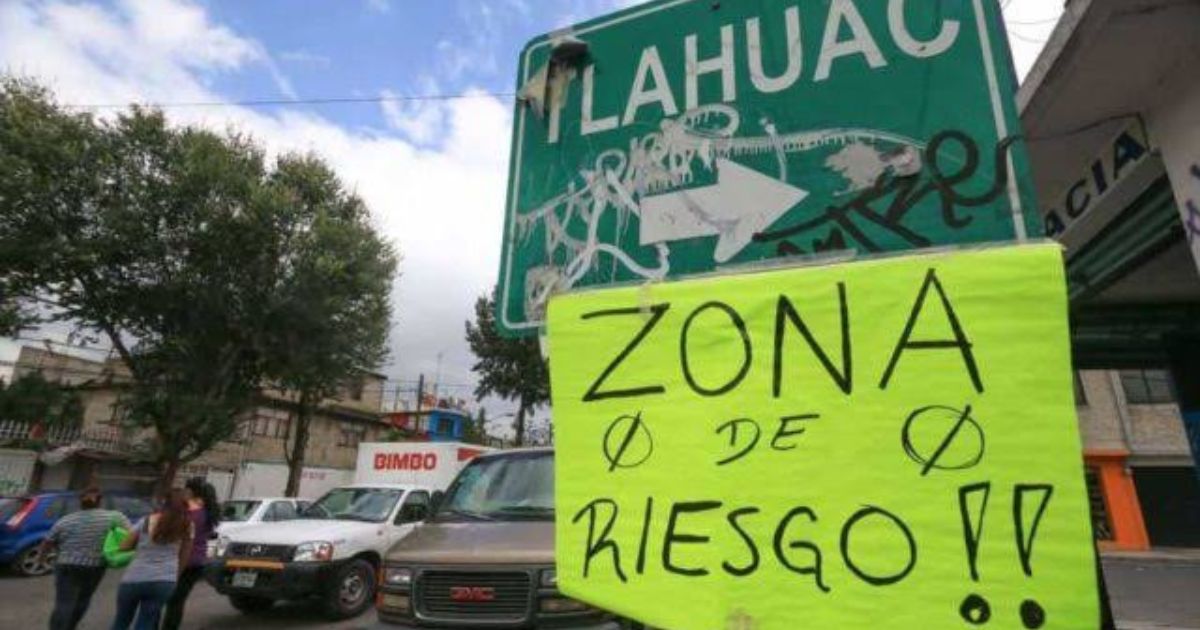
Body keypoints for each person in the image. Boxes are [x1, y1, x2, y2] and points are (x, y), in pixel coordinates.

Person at [41, 486, 131, 630]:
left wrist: (42, 559)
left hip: (66, 565)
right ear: (100, 501)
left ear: (80, 502)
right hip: (95, 566)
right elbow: (131, 535)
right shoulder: (114, 517)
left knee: (64, 603)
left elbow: (48, 542)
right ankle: (71, 626)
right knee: (83, 599)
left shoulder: (66, 520)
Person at [111, 489, 193, 630]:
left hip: (134, 578)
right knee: (146, 622)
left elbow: (124, 546)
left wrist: (141, 544)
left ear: (164, 503)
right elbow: (185, 556)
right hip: (164, 581)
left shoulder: (147, 520)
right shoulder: (187, 525)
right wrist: (174, 576)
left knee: (121, 621)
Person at [161, 477, 220, 630]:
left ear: (191, 492)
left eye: (185, 489)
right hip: (197, 562)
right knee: (177, 601)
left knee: (168, 600)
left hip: (181, 560)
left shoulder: (190, 513)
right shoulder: (207, 512)